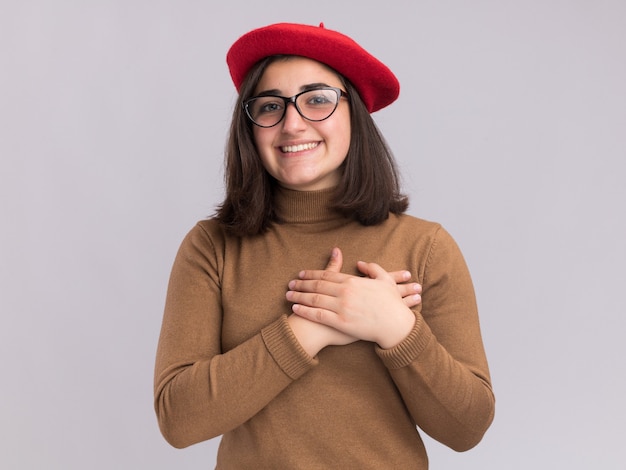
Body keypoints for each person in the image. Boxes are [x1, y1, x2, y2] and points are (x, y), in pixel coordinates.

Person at [154, 22, 495, 469]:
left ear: (355, 112)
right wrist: (311, 330)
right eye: (271, 106)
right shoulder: (211, 247)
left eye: (317, 99)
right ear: (250, 126)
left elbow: (466, 428)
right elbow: (178, 419)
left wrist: (395, 327)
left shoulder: (425, 246)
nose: (292, 124)